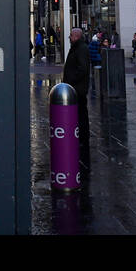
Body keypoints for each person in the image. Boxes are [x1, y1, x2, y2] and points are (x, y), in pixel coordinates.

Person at [62, 27, 91, 174]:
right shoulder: (78, 48)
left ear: (77, 36)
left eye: (71, 35)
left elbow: (83, 69)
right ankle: (80, 137)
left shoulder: (80, 49)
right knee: (79, 114)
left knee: (81, 114)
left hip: (77, 89)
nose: (69, 37)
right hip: (75, 88)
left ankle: (83, 138)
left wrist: (71, 80)